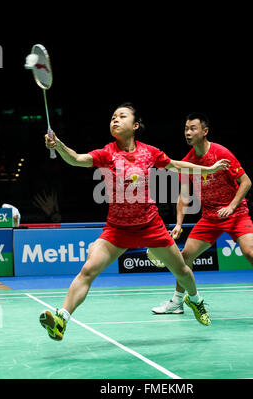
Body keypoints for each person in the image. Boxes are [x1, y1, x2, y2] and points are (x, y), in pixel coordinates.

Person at [39, 103, 230, 340]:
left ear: (135, 125)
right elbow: (78, 159)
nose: (115, 120)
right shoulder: (107, 153)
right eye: (112, 117)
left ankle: (195, 300)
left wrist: (207, 169)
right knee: (88, 269)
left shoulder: (149, 152)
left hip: (150, 225)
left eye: (122, 116)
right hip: (117, 229)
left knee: (182, 270)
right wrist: (58, 145)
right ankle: (61, 319)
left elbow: (176, 165)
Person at [151, 112, 253, 324]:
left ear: (205, 131)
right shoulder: (188, 162)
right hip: (210, 217)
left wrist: (231, 206)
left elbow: (246, 182)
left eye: (193, 128)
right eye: (186, 129)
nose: (188, 132)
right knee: (185, 257)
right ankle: (177, 302)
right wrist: (178, 224)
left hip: (236, 214)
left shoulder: (220, 153)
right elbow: (184, 194)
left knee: (252, 254)